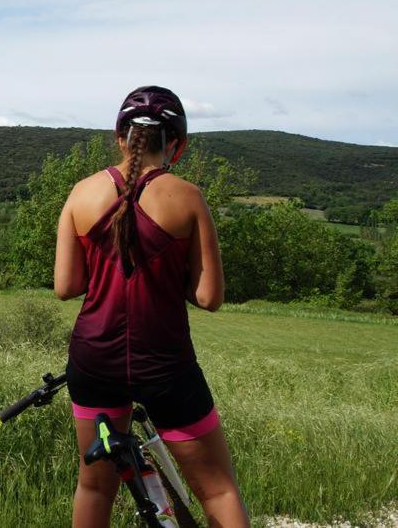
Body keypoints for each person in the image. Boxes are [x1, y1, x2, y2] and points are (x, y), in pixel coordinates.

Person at [54, 86, 248, 527]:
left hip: (94, 359)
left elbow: (66, 287)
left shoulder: (81, 193)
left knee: (94, 486)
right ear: (176, 144)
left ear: (121, 138)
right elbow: (209, 298)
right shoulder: (188, 197)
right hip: (165, 364)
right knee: (217, 490)